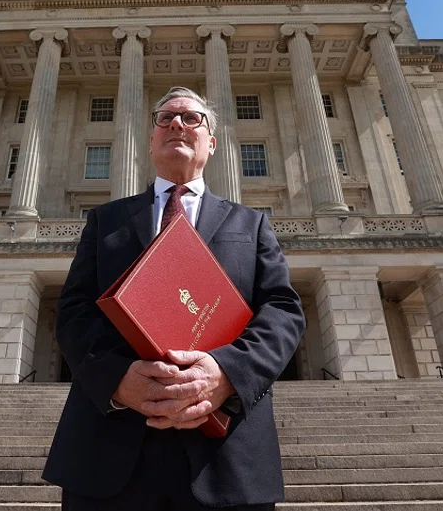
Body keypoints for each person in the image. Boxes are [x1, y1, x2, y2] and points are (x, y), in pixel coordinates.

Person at [42, 87, 305, 510]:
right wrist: (118, 380)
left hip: (226, 456)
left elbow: (283, 311)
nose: (177, 125)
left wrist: (225, 374)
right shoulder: (105, 220)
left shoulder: (251, 223)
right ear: (151, 140)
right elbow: (74, 311)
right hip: (110, 449)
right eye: (165, 119)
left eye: (191, 118)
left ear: (211, 143)